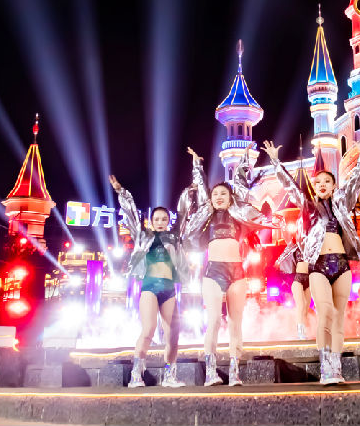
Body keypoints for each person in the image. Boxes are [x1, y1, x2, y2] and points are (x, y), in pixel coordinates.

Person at [261, 137, 360, 385]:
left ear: (333, 186)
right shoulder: (308, 207)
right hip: (318, 267)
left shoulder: (342, 205)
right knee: (326, 312)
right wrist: (276, 162)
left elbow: (355, 183)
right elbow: (291, 187)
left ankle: (336, 367)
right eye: (318, 182)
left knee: (339, 319)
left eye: (327, 182)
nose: (322, 185)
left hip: (342, 266)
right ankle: (325, 367)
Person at [182, 147, 268, 387]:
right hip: (213, 272)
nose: (219, 196)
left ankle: (234, 371)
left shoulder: (238, 215)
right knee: (213, 320)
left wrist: (246, 158)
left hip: (237, 273)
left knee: (235, 322)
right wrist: (197, 165)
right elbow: (201, 188)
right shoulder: (207, 216)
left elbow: (240, 181)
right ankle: (211, 371)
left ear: (231, 198)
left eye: (223, 193)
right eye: (215, 194)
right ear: (210, 199)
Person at [110, 175, 189, 388]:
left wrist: (190, 190)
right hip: (150, 288)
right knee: (149, 329)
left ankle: (169, 375)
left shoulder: (175, 238)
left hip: (169, 289)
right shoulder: (144, 236)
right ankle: (136, 375)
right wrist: (121, 191)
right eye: (157, 219)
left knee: (173, 335)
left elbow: (185, 214)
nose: (161, 222)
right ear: (151, 221)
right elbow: (131, 215)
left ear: (169, 221)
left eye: (164, 219)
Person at [274, 237, 311, 340]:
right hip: (298, 278)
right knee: (301, 305)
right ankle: (300, 333)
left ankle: (304, 331)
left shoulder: (313, 245)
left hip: (309, 279)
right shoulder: (295, 245)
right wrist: (278, 262)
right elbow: (283, 255)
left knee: (306, 308)